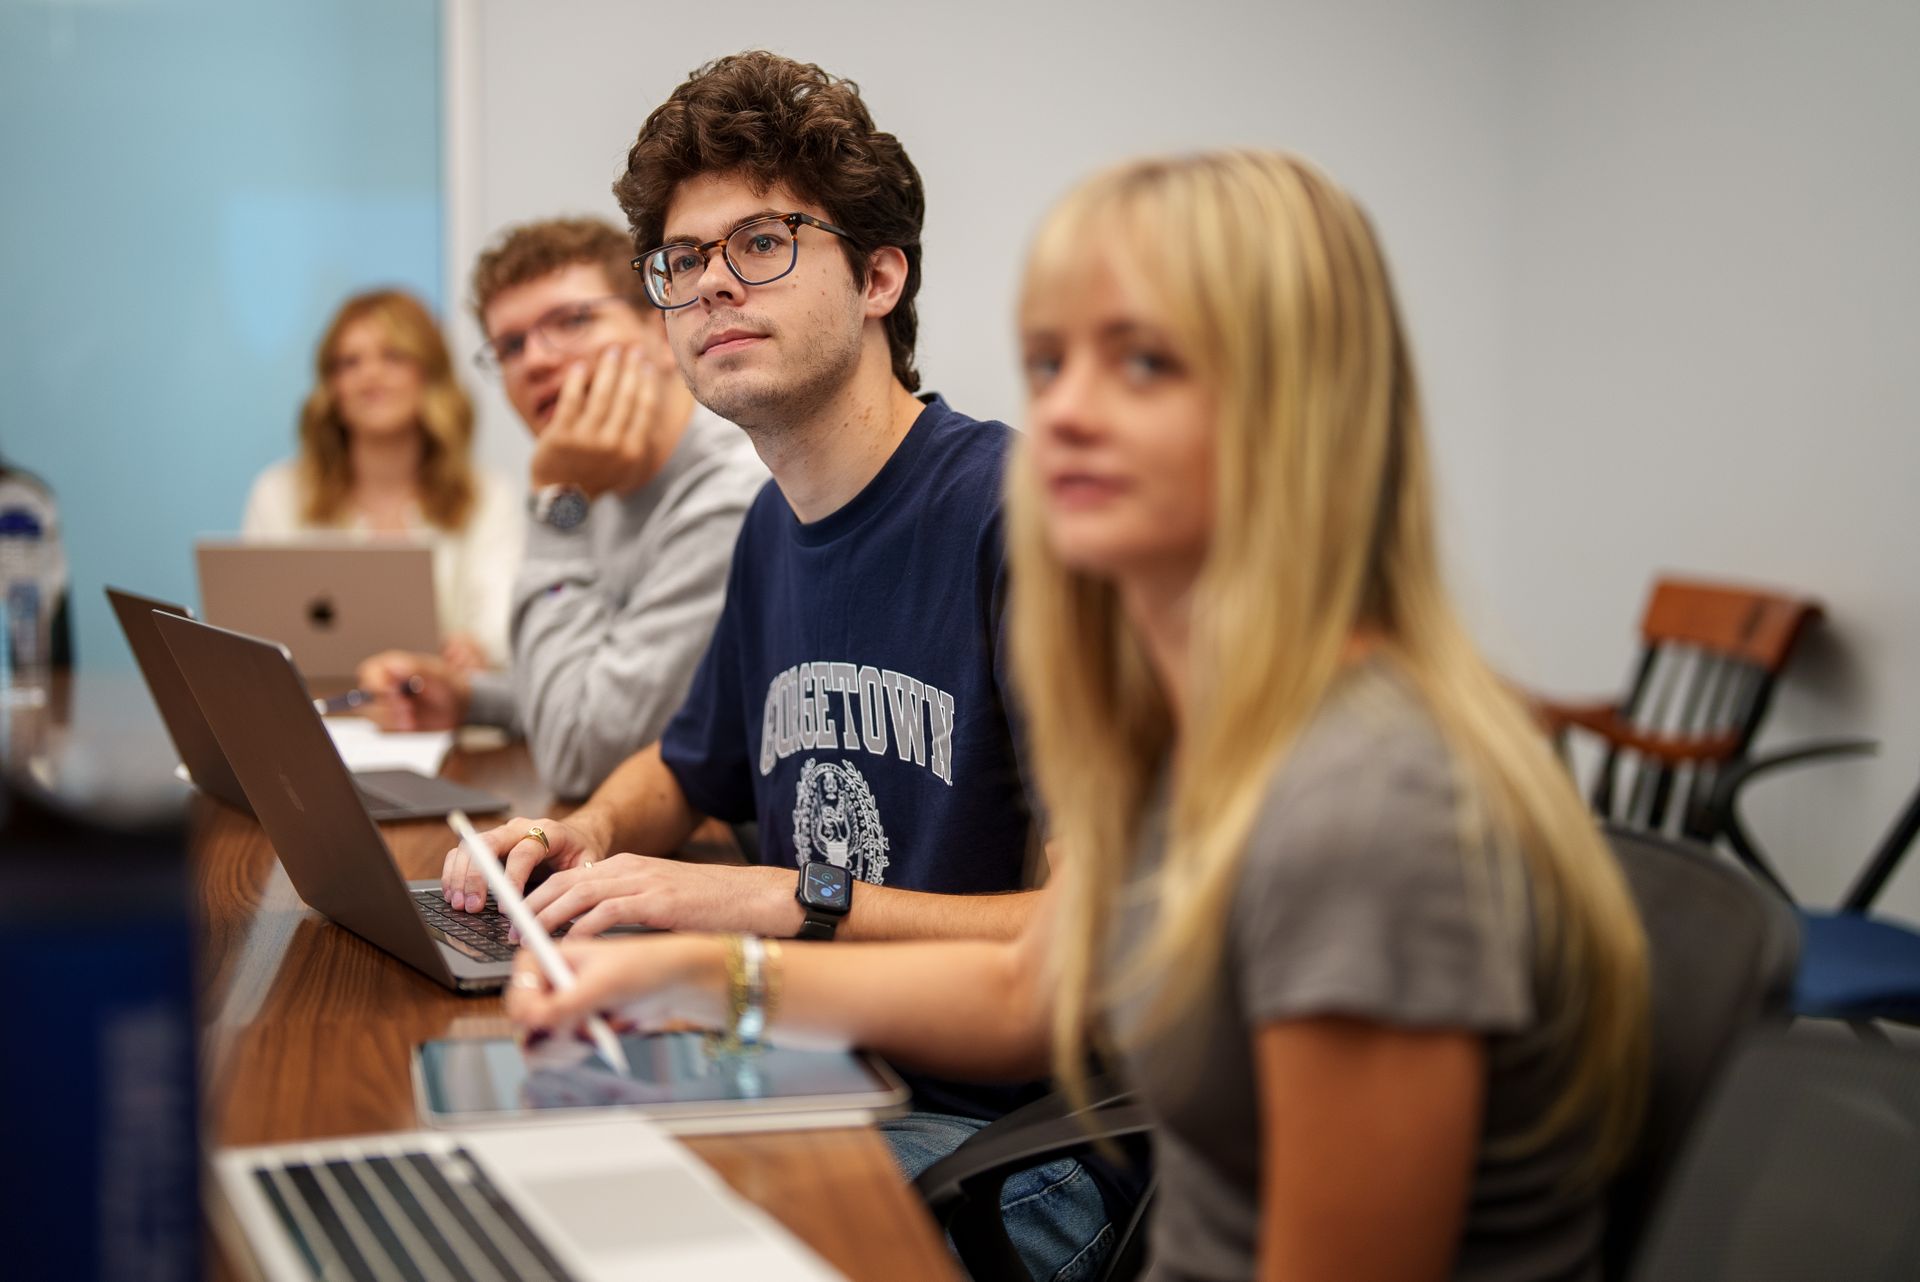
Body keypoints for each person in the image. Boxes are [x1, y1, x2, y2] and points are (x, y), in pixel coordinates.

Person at [505, 150, 1653, 1282]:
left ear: (1304, 402)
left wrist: (748, 924)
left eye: (1145, 362)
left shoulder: (1363, 803)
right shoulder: (1212, 728)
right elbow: (1027, 987)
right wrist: (704, 980)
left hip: (1026, 1150)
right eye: (1049, 364)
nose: (1066, 414)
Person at [446, 52, 1121, 1282]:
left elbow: (1083, 951)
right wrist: (580, 833)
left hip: (1010, 1141)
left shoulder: (1019, 516)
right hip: (812, 1062)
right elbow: (686, 763)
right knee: (478, 1169)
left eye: (759, 243)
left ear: (879, 275)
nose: (710, 286)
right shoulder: (773, 527)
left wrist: (775, 899)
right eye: (683, 261)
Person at [354, 219, 767, 798]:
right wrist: (472, 699)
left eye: (572, 321)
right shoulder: (593, 479)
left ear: (663, 326)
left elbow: (582, 757)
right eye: (511, 346)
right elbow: (581, 691)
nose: (536, 362)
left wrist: (558, 506)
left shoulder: (731, 496)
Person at [243, 289, 520, 671]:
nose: (370, 376)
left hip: (445, 718)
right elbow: (256, 633)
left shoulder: (486, 496)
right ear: (332, 386)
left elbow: (498, 622)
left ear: (429, 373)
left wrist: (475, 650)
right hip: (313, 716)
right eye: (349, 363)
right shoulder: (277, 494)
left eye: (393, 356)